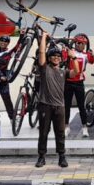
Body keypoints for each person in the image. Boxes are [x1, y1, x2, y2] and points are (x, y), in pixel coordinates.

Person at [36, 32, 77, 167]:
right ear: (49, 58)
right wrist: (43, 36)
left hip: (60, 106)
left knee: (60, 133)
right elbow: (42, 51)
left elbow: (76, 72)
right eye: (53, 56)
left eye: (58, 56)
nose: (56, 58)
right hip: (45, 105)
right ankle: (41, 157)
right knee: (43, 132)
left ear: (61, 58)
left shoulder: (63, 71)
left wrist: (74, 57)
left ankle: (62, 156)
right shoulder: (44, 68)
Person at [65, 34, 94, 136]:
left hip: (79, 83)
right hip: (68, 82)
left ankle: (84, 127)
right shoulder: (70, 52)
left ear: (85, 45)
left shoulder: (86, 55)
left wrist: (92, 53)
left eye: (82, 44)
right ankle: (66, 127)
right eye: (78, 43)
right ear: (75, 44)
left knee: (81, 106)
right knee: (66, 106)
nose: (80, 45)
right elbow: (63, 56)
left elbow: (91, 61)